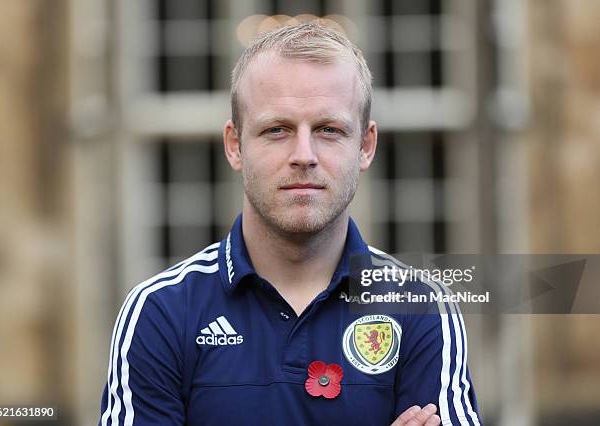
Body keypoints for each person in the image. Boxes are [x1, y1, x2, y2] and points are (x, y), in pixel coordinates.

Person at [99, 23, 482, 426]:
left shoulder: (421, 306)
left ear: (366, 146)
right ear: (235, 145)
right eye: (277, 130)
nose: (304, 155)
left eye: (329, 130)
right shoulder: (161, 311)